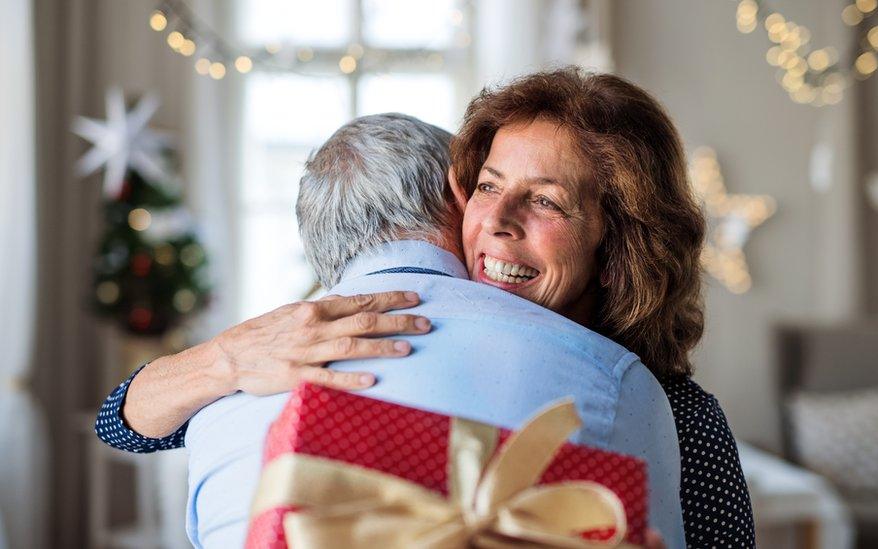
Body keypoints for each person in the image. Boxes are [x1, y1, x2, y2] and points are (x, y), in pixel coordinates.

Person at [97, 67, 756, 548]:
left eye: (547, 200)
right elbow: (118, 422)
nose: (495, 220)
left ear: (619, 244)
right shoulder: (304, 345)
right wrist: (222, 357)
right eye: (487, 186)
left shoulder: (666, 409)